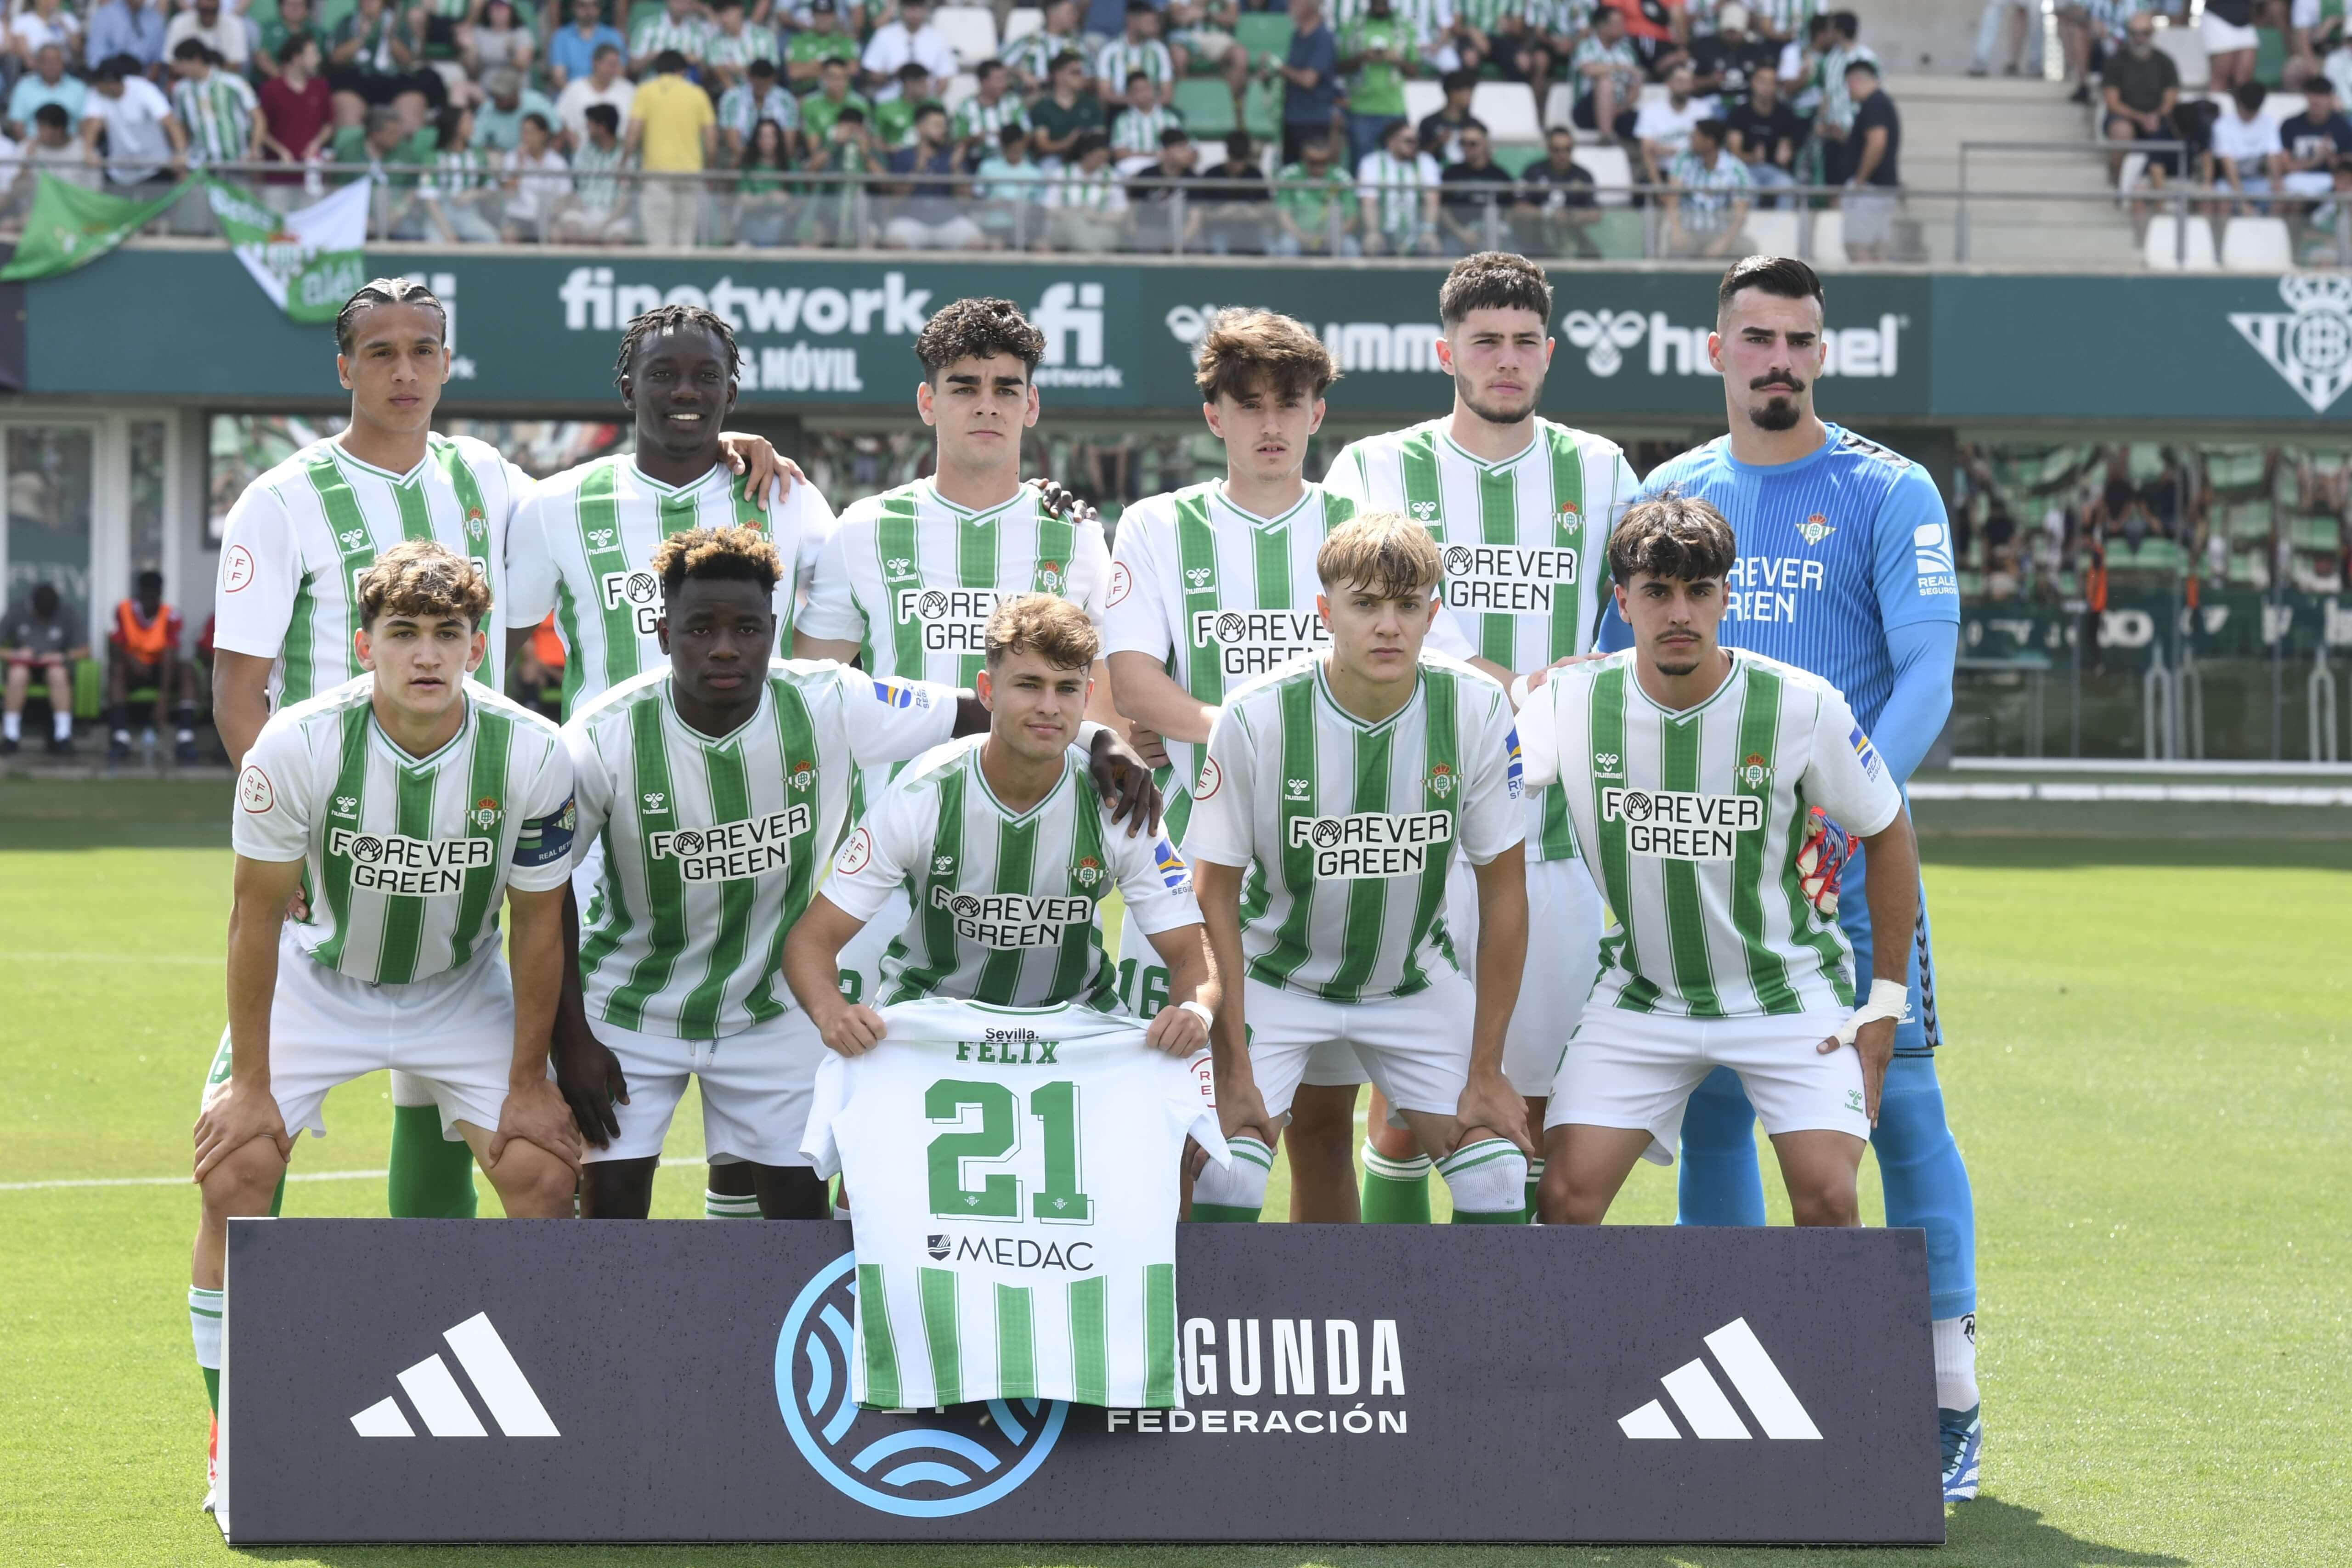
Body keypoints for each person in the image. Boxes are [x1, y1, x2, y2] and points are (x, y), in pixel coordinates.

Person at [210, 277, 788, 1233]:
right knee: (245, 1147)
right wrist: (289, 830)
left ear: (446, 361)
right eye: (383, 352)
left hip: (469, 837)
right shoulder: (280, 499)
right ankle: (251, 1366)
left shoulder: (489, 479)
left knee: (438, 1109)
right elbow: (240, 693)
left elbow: (620, 489)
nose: (405, 370)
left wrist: (726, 448)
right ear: (346, 367)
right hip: (335, 842)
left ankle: (429, 1326)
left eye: (424, 350)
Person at [1632, 254, 1979, 1504]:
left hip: (1844, 857)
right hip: (1698, 864)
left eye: (1801, 340)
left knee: (1902, 1108)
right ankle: (1723, 1383)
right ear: (1716, 351)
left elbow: (1929, 668)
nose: (1781, 358)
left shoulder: (1888, 489)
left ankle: (1945, 1396)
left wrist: (1846, 803)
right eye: (1758, 338)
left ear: (1820, 354)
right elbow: (1623, 675)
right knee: (1720, 1107)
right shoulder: (1670, 494)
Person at [189, 538, 582, 1514]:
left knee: (543, 1172)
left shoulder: (533, 752)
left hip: (459, 985)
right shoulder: (296, 746)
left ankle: (524, 1415)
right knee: (234, 1168)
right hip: (321, 980)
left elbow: (538, 923)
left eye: (448, 632)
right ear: (364, 643)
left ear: (480, 646)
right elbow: (253, 915)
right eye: (403, 632)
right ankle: (232, 1435)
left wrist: (531, 1078)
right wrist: (250, 1083)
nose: (426, 654)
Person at [1300, 252, 1638, 1226]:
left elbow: (1619, 633)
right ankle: (1400, 1317)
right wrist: (1529, 685)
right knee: (1406, 1109)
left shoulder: (1598, 469)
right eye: (1486, 341)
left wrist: (1574, 698)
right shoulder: (1377, 467)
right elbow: (1400, 635)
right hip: (1405, 821)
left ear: (1549, 352)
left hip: (1547, 832)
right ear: (1446, 350)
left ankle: (1503, 1334)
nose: (1506, 360)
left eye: (1524, 342)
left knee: (1521, 1099)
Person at [556, 530, 1018, 1217]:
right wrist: (572, 1040)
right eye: (700, 628)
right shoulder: (600, 736)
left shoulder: (831, 698)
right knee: (613, 1205)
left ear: (772, 630)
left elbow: (981, 711)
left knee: (800, 1211)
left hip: (773, 1006)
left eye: (746, 628)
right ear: (662, 633)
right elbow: (543, 889)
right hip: (629, 1007)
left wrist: (1100, 742)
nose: (723, 647)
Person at [1516, 494, 1921, 1240]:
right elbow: (1485, 786)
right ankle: (1562, 1360)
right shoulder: (1569, 702)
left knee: (1830, 1198)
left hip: (1786, 991)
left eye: (1700, 591)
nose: (1680, 613)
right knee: (1565, 1196)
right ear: (1622, 600)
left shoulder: (1801, 706)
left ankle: (1827, 1360)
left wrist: (1887, 1001)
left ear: (1727, 595)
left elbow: (1888, 827)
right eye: (1657, 591)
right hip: (1644, 995)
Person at [1104, 309, 1474, 1092]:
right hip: (1186, 855)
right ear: (1215, 416)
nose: (1271, 424)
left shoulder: (1370, 531)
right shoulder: (1158, 523)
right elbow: (1134, 684)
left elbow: (1441, 666)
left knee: (1318, 1128)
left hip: (1341, 866)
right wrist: (1254, 740)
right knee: (1177, 1107)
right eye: (1249, 405)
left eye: (1289, 402)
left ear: (1318, 411)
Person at [1182, 511, 1533, 1226]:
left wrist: (1489, 1069)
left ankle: (1469, 1341)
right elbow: (1211, 895)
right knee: (1225, 1176)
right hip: (1275, 977)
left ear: (1433, 613)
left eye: (1408, 607)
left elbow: (1504, 891)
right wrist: (1234, 1066)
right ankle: (1213, 1341)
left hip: (1410, 982)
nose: (1389, 626)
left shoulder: (1476, 706)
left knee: (1498, 1175)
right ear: (1325, 611)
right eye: (1366, 604)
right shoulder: (1257, 716)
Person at [793, 296, 1129, 1012]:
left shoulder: (1074, 537)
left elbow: (1097, 693)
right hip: (891, 860)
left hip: (1039, 860)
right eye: (964, 387)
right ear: (927, 401)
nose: (988, 405)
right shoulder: (867, 528)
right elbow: (812, 690)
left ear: (1031, 404)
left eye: (1006, 388)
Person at [784, 594, 1197, 1033]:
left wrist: (1194, 1011)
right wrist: (833, 1012)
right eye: (1029, 684)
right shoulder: (926, 792)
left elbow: (1191, 950)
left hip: (1078, 1027)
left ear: (1087, 694)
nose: (1049, 706)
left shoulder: (1117, 799)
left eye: (1067, 689)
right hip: (930, 1023)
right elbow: (812, 940)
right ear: (987, 690)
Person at [105, 569, 200, 763]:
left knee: (187, 670)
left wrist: (163, 699)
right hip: (133, 668)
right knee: (116, 670)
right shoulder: (124, 609)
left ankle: (186, 739)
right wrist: (132, 661)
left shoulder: (171, 615)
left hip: (162, 669)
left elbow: (170, 654)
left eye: (154, 595)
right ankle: (120, 739)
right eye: (145, 595)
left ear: (160, 594)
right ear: (138, 593)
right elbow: (114, 646)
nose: (149, 600)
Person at [628, 48, 717, 247]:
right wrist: (709, 169)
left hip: (656, 175)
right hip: (691, 174)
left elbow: (634, 132)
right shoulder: (697, 94)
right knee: (686, 241)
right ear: (682, 71)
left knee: (658, 241)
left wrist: (625, 160)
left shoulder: (645, 91)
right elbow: (711, 138)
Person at [882, 100, 986, 247]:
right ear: (920, 127)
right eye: (937, 126)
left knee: (976, 242)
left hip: (949, 220)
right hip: (911, 220)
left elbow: (965, 200)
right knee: (895, 241)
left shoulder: (952, 156)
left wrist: (956, 168)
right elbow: (896, 199)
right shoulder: (903, 156)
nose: (943, 130)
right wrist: (917, 170)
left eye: (944, 126)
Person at [1, 582, 85, 757]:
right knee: (17, 674)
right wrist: (16, 654)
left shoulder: (66, 613)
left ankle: (63, 736)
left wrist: (62, 656)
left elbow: (85, 650)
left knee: (58, 674)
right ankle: (11, 736)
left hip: (54, 665)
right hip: (24, 664)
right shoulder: (17, 610)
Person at [80, 53, 187, 191]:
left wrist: (181, 153)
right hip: (120, 173)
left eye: (98, 83)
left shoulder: (143, 89)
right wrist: (89, 151)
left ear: (110, 83)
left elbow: (170, 122)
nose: (95, 86)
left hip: (156, 169)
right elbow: (93, 124)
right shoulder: (97, 94)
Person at [1339, 0, 1415, 170]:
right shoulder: (1353, 27)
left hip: (1395, 109)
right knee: (1361, 168)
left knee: (1401, 167)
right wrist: (1363, 57)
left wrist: (1396, 60)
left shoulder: (1403, 28)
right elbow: (1339, 67)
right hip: (1361, 110)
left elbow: (1414, 70)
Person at [257, 35, 332, 209]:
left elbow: (329, 124)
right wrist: (281, 151)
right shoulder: (271, 90)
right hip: (278, 174)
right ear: (297, 58)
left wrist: (316, 144)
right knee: (277, 229)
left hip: (311, 174)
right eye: (313, 53)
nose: (318, 59)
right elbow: (261, 129)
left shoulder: (321, 87)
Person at [1664, 114, 1751, 257]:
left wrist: (1723, 242)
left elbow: (1740, 215)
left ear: (1709, 142)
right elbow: (1672, 200)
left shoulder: (1737, 170)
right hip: (1688, 231)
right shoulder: (1683, 160)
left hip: (1721, 232)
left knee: (1747, 249)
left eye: (1696, 136)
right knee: (1675, 244)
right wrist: (1676, 230)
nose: (1691, 138)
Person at [169, 40, 260, 172]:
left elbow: (259, 118)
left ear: (196, 59)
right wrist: (182, 152)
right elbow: (179, 124)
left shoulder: (234, 83)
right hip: (200, 164)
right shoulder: (181, 90)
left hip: (237, 160)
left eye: (181, 63)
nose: (179, 69)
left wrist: (254, 149)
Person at [1839, 57, 1897, 261]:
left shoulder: (1875, 104)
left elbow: (1877, 143)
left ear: (1855, 81)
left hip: (1868, 192)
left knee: (1859, 248)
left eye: (1848, 85)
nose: (1849, 92)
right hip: (1878, 190)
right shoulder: (1881, 103)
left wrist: (1860, 180)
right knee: (1878, 251)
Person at [1356, 115, 1439, 255]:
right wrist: (1373, 232)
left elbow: (1432, 199)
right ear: (1391, 142)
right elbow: (1369, 202)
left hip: (1416, 232)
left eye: (1416, 141)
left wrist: (1429, 231)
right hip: (1385, 231)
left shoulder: (1426, 161)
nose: (1414, 145)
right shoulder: (1371, 163)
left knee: (1432, 246)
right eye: (1408, 141)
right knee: (1371, 245)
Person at [555, 99, 636, 239]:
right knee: (571, 227)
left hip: (614, 215)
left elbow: (625, 200)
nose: (587, 128)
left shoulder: (626, 157)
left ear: (602, 127)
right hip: (584, 211)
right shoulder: (583, 151)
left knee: (617, 237)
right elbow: (575, 189)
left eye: (590, 125)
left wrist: (604, 225)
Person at [1518, 125, 1602, 258]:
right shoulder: (1534, 172)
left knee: (1595, 257)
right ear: (1548, 149)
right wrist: (1549, 214)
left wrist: (1571, 216)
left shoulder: (1583, 176)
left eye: (1568, 150)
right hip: (1538, 244)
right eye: (1557, 150)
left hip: (1575, 241)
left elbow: (1595, 214)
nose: (1563, 155)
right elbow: (1518, 210)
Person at [1273, 129, 1360, 255]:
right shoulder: (1290, 176)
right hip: (1297, 235)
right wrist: (1302, 236)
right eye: (1313, 162)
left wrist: (1332, 236)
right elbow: (1283, 215)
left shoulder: (1341, 177)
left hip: (1334, 235)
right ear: (1304, 158)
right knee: (1286, 246)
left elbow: (1352, 217)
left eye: (1323, 162)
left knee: (1351, 247)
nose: (1318, 167)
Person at [1276, 0, 1341, 167]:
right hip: (1292, 118)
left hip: (1314, 121)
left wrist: (1279, 68)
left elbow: (1309, 80)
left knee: (1314, 175)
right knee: (1291, 172)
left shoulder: (1323, 38)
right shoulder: (1296, 36)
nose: (1291, 5)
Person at [2205, 80, 2283, 218]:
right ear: (2238, 103)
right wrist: (2241, 202)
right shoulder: (2223, 125)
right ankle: (2223, 238)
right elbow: (2228, 164)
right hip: (2230, 182)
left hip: (2258, 180)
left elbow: (2273, 158)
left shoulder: (2269, 122)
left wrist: (2277, 184)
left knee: (2281, 198)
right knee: (2224, 200)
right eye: (2247, 110)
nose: (2250, 115)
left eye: (2254, 111)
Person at [1437, 119, 1515, 255]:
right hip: (1458, 237)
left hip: (1496, 238)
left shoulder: (1501, 175)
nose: (1467, 148)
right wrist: (1461, 233)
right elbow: (1442, 209)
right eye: (1463, 143)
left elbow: (1511, 210)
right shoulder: (1451, 174)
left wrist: (1499, 233)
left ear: (1485, 144)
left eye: (1473, 144)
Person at [1726, 61, 1800, 204]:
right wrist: (1752, 158)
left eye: (1772, 82)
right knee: (1748, 186)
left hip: (1774, 171)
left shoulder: (1786, 115)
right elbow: (1734, 153)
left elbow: (1786, 150)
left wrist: (1785, 157)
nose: (1767, 86)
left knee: (1788, 186)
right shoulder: (1740, 113)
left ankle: (1783, 226)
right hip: (1746, 170)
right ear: (1753, 83)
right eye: (1763, 81)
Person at [1043, 127, 1128, 247]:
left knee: (1089, 230)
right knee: (1076, 222)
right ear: (1085, 154)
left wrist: (1096, 216)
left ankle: (1086, 251)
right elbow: (1049, 207)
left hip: (1101, 229)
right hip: (1064, 227)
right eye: (1099, 158)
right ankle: (1090, 255)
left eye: (1105, 159)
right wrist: (1073, 215)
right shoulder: (1062, 174)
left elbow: (1121, 213)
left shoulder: (1112, 176)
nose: (1102, 163)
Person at [1570, 4, 1640, 141]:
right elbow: (1588, 70)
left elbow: (1635, 86)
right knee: (1605, 83)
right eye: (1617, 23)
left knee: (1646, 120)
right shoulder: (1586, 46)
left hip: (1619, 108)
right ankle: (1606, 138)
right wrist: (1619, 67)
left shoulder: (1627, 51)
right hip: (1587, 110)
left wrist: (1621, 108)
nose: (1622, 27)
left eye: (1623, 22)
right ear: (1602, 25)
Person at [1125, 125, 1201, 248]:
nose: (1187, 153)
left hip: (1182, 234)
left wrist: (1180, 241)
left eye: (1187, 148)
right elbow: (1133, 212)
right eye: (1181, 148)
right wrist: (1133, 234)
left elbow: (1195, 219)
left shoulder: (1192, 179)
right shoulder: (1147, 176)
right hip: (1149, 233)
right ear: (1166, 151)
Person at [499, 110, 570, 241]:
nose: (527, 137)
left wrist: (553, 216)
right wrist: (519, 165)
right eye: (524, 133)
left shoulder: (558, 162)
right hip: (519, 216)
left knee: (557, 235)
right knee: (509, 234)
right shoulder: (512, 158)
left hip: (549, 217)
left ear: (543, 134)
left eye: (531, 133)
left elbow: (565, 196)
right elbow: (508, 193)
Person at [1028, 50, 1105, 168]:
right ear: (1058, 75)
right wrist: (1069, 143)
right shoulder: (1043, 107)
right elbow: (1043, 145)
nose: (1081, 77)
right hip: (1055, 160)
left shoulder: (1091, 104)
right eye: (1075, 73)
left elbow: (1100, 138)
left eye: (1081, 73)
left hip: (1088, 159)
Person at [1199, 127, 1272, 254]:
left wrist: (1247, 212)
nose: (1238, 164)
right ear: (1228, 153)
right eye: (1235, 158)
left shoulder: (1255, 175)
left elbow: (1265, 209)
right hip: (1219, 229)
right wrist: (1221, 214)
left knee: (1270, 246)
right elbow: (1201, 212)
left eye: (1242, 158)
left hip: (1250, 230)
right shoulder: (1212, 174)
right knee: (1218, 247)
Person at [555, 42, 634, 151]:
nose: (614, 70)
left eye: (617, 65)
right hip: (583, 158)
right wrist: (578, 151)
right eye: (610, 65)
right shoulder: (574, 90)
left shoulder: (629, 90)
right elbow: (562, 122)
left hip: (619, 158)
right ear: (596, 63)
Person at [1096, 0, 1176, 100]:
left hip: (1153, 109)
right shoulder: (1109, 51)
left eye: (1155, 22)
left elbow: (1167, 95)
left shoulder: (1159, 50)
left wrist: (1145, 104)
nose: (1155, 27)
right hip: (1119, 109)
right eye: (1149, 23)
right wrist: (1136, 101)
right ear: (1132, 20)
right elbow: (1104, 94)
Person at [953, 59, 1027, 165]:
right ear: (984, 81)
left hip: (1011, 162)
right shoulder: (965, 107)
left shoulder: (1014, 103)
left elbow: (1028, 134)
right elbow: (958, 140)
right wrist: (975, 139)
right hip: (977, 162)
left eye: (1005, 79)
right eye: (999, 80)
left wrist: (1008, 139)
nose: (1004, 84)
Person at [6, 43, 86, 142]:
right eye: (46, 61)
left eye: (55, 61)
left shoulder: (79, 88)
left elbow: (86, 123)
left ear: (63, 63)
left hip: (70, 147)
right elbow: (17, 124)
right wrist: (28, 147)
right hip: (32, 148)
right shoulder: (23, 87)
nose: (51, 65)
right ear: (38, 63)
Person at [471, 67, 558, 155]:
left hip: (535, 159)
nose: (497, 99)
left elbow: (559, 131)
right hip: (500, 161)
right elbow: (475, 143)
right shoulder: (487, 108)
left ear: (515, 94)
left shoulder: (537, 102)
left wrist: (545, 157)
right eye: (495, 95)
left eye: (502, 96)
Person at [1109, 68, 1182, 170]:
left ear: (1154, 90)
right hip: (1135, 167)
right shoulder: (1122, 120)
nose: (1144, 94)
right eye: (1138, 90)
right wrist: (1155, 156)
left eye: (1147, 89)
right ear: (1129, 94)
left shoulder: (1170, 118)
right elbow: (1119, 154)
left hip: (1164, 166)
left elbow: (1185, 148)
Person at [703, 0, 777, 91]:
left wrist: (740, 69)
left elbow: (772, 70)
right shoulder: (715, 42)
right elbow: (717, 71)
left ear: (740, 10)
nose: (723, 19)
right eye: (719, 14)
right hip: (731, 95)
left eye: (726, 12)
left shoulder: (764, 36)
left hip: (764, 93)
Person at [786, 0, 861, 89]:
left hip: (839, 96)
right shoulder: (799, 40)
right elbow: (794, 73)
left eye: (827, 15)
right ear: (812, 15)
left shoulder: (846, 41)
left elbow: (854, 70)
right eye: (819, 15)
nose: (823, 19)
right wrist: (834, 69)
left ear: (834, 16)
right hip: (806, 94)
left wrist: (814, 67)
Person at [1413, 67, 1477, 166]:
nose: (1470, 97)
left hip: (1466, 175)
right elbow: (1419, 156)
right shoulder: (1429, 123)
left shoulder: (1475, 125)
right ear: (1453, 94)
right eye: (1467, 92)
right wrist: (1437, 143)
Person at [630, 0, 708, 74]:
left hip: (686, 86)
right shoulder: (647, 26)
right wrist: (653, 56)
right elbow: (633, 68)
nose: (682, 6)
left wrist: (696, 62)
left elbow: (705, 72)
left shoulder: (697, 32)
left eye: (687, 2)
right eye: (678, 1)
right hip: (652, 85)